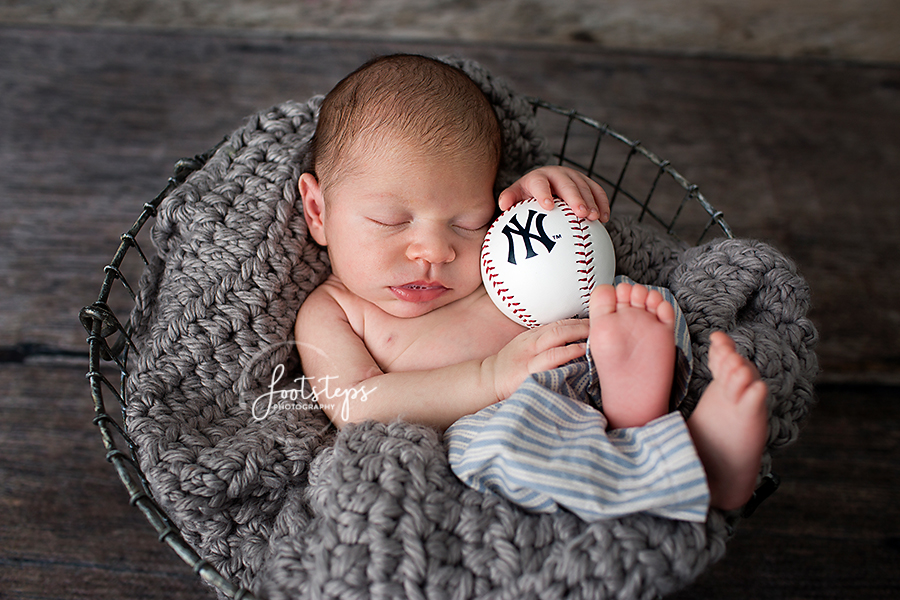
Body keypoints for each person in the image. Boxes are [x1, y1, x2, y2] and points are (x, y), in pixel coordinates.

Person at [294, 53, 769, 519]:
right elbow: (355, 406)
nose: (435, 251)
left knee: (637, 308)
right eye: (391, 221)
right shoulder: (332, 310)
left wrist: (543, 201)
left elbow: (538, 245)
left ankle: (643, 414)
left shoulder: (489, 249)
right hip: (498, 418)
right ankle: (695, 466)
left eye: (466, 222)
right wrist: (491, 377)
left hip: (585, 354)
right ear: (318, 211)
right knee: (500, 450)